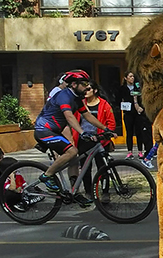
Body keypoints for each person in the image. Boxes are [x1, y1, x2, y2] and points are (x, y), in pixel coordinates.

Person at [33, 70, 113, 205]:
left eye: (88, 84)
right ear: (74, 84)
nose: (87, 87)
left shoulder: (77, 98)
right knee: (72, 151)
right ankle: (47, 176)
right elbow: (69, 117)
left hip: (54, 131)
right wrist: (82, 132)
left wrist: (105, 129)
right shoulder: (64, 96)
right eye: (84, 84)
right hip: (44, 130)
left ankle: (74, 192)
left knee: (74, 158)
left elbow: (87, 115)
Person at [71, 82, 117, 194]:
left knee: (103, 168)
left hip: (100, 141)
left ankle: (105, 192)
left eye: (88, 89)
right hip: (84, 141)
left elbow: (111, 123)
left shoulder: (104, 105)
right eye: (84, 89)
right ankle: (89, 192)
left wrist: (105, 135)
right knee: (85, 169)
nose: (85, 92)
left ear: (95, 90)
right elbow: (74, 121)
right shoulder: (80, 104)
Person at [118, 72, 147, 159]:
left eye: (133, 76)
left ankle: (140, 151)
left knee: (139, 132)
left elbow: (142, 98)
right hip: (128, 112)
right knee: (129, 132)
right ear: (126, 78)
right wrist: (122, 104)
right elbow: (118, 99)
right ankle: (129, 152)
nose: (132, 78)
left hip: (137, 112)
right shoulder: (122, 88)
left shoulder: (137, 87)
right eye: (130, 76)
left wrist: (141, 107)